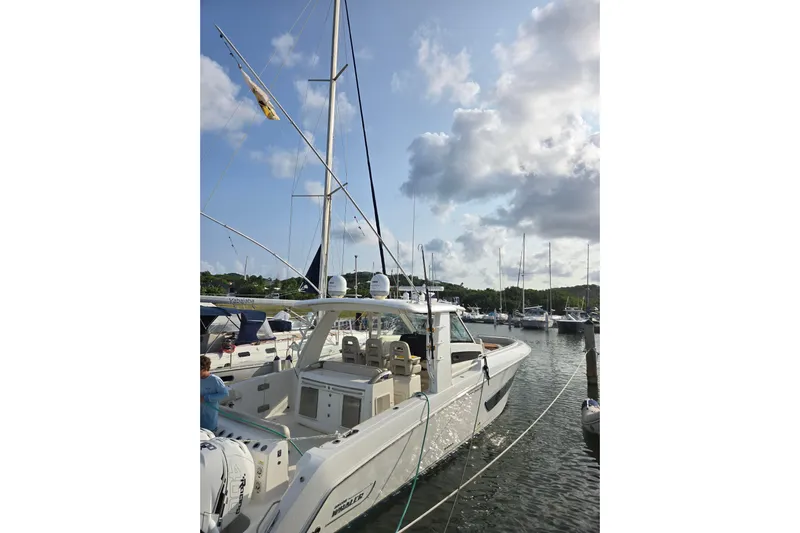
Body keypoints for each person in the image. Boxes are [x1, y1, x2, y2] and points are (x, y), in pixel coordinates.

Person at [201, 355, 229, 432]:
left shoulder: (215, 380)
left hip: (209, 420)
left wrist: (205, 398)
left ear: (204, 369)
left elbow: (224, 394)